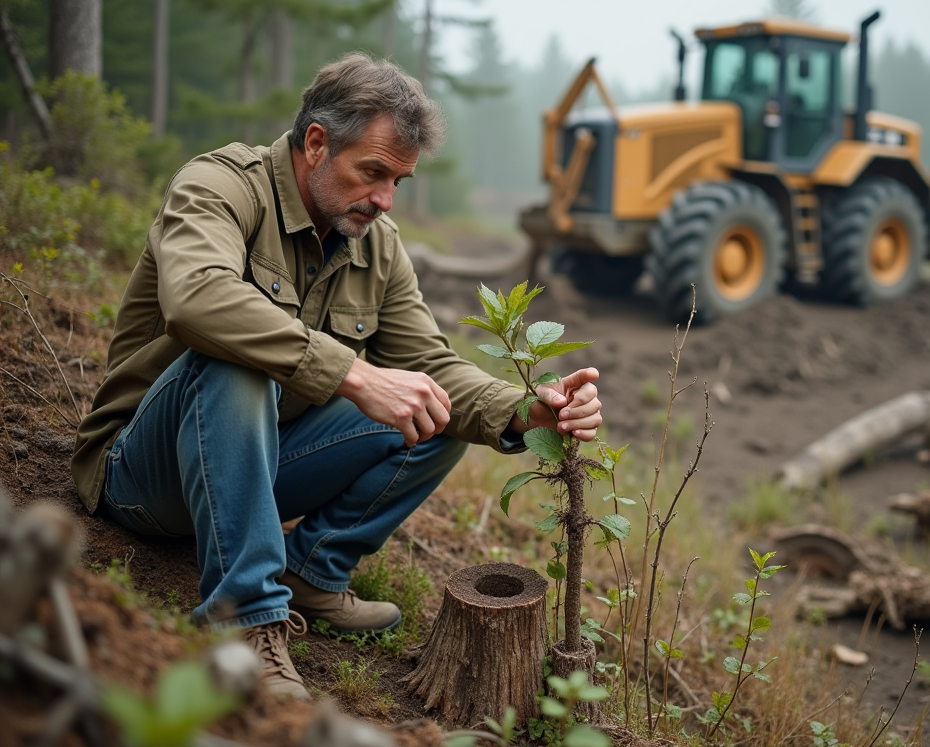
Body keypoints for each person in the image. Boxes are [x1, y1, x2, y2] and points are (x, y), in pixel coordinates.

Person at [71, 54, 602, 700]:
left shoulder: (376, 241)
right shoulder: (220, 184)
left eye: (399, 181)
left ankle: (313, 573)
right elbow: (196, 300)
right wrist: (353, 373)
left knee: (433, 405)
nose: (384, 199)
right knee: (236, 358)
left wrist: (527, 409)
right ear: (317, 143)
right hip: (144, 478)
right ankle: (245, 620)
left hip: (256, 470)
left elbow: (431, 364)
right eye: (373, 172)